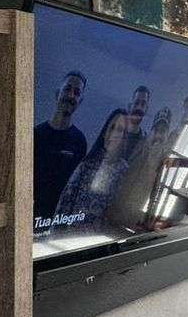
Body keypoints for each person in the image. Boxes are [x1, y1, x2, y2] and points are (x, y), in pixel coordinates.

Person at [52, 108, 135, 233]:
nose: (114, 134)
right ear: (105, 132)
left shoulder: (125, 173)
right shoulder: (86, 165)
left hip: (100, 241)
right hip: (68, 238)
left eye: (120, 130)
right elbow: (63, 205)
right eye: (111, 128)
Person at [34, 70, 88, 223]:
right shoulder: (35, 134)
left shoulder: (80, 141)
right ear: (57, 93)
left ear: (80, 102)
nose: (71, 95)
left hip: (59, 221)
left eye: (77, 92)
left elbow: (75, 188)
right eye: (67, 89)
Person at [120, 86, 152, 162]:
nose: (139, 108)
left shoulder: (145, 145)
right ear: (130, 106)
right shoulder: (113, 133)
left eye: (143, 104)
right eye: (136, 103)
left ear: (146, 109)